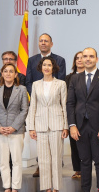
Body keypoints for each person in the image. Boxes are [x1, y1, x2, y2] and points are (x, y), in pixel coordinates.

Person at [67, 48, 99, 192]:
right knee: (85, 161)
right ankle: (85, 189)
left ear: (97, 59)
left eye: (91, 56)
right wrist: (72, 125)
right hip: (80, 127)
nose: (87, 59)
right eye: (85, 56)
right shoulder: (75, 79)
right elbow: (70, 103)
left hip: (98, 127)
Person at [26, 33, 66, 177]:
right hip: (39, 105)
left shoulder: (60, 60)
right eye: (41, 41)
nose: (43, 43)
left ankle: (56, 170)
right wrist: (38, 94)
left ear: (51, 44)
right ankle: (40, 166)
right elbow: (28, 81)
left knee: (55, 148)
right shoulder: (31, 60)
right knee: (41, 145)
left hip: (55, 105)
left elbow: (61, 82)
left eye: (46, 41)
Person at [28, 57, 69, 192]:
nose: (46, 67)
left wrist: (65, 126)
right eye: (44, 65)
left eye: (49, 65)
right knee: (43, 160)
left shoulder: (61, 84)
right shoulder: (35, 85)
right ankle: (46, 187)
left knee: (56, 158)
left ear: (53, 67)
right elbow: (33, 105)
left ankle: (56, 187)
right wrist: (31, 127)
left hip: (57, 124)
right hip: (40, 125)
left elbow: (64, 105)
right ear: (40, 67)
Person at [0, 63, 29, 192]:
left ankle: (15, 187)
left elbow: (24, 110)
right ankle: (7, 187)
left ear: (16, 74)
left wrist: (13, 127)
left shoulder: (21, 89)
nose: (8, 74)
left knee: (16, 160)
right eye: (5, 71)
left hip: (16, 131)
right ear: (2, 73)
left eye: (11, 71)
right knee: (4, 161)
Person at [64, 51, 85, 179]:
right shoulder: (68, 78)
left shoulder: (91, 76)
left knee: (85, 143)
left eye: (82, 58)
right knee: (74, 143)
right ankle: (77, 169)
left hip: (87, 115)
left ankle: (85, 168)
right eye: (77, 58)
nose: (79, 60)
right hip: (73, 114)